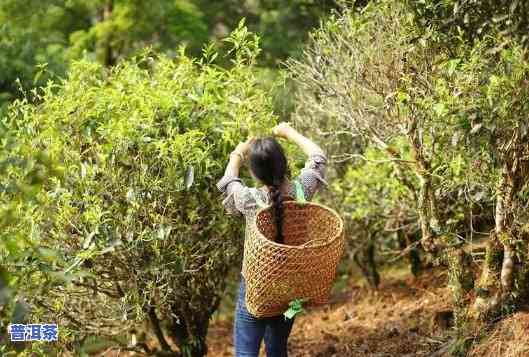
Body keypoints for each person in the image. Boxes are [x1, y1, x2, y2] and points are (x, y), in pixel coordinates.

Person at [216, 122, 328, 357]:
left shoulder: (248, 199)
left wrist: (238, 153)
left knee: (246, 353)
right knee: (277, 350)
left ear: (255, 173)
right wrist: (290, 133)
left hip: (255, 293)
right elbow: (318, 156)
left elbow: (228, 180)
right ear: (284, 164)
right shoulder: (302, 190)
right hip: (290, 295)